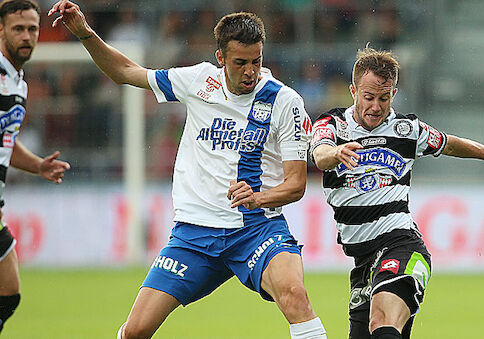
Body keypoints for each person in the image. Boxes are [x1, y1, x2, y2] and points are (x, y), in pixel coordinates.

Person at [49, 2, 327, 338]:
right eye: (240, 63)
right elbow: (124, 71)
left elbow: (296, 184)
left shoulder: (285, 102)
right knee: (136, 330)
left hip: (256, 229)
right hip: (194, 233)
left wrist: (259, 197)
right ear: (221, 58)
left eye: (257, 61)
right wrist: (84, 33)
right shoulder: (197, 80)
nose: (251, 71)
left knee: (295, 297)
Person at [310, 47, 484, 339]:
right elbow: (319, 155)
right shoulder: (332, 125)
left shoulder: (406, 129)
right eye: (368, 97)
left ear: (393, 94)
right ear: (353, 91)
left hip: (402, 246)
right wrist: (335, 153)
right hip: (363, 262)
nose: (375, 106)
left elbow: (450, 143)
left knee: (381, 320)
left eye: (384, 98)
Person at [0, 0, 70, 333]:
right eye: (18, 29)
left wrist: (38, 165)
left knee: (8, 294)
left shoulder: (18, 83)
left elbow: (6, 145)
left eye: (32, 28)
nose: (26, 36)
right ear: (1, 30)